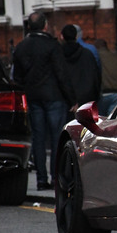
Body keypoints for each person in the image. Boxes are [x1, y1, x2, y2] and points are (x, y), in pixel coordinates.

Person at [13, 12, 77, 190]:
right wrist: (71, 99)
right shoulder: (52, 45)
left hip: (33, 97)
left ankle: (41, 180)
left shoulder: (21, 47)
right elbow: (61, 73)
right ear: (45, 26)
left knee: (38, 139)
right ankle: (56, 178)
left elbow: (17, 77)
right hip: (54, 97)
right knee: (57, 138)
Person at [61, 25, 101, 117]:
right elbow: (96, 77)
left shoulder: (57, 55)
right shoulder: (88, 54)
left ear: (62, 36)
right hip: (86, 99)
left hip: (65, 101)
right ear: (76, 36)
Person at [94, 39, 117, 116]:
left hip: (102, 95)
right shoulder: (116, 57)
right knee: (112, 122)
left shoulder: (96, 57)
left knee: (100, 123)